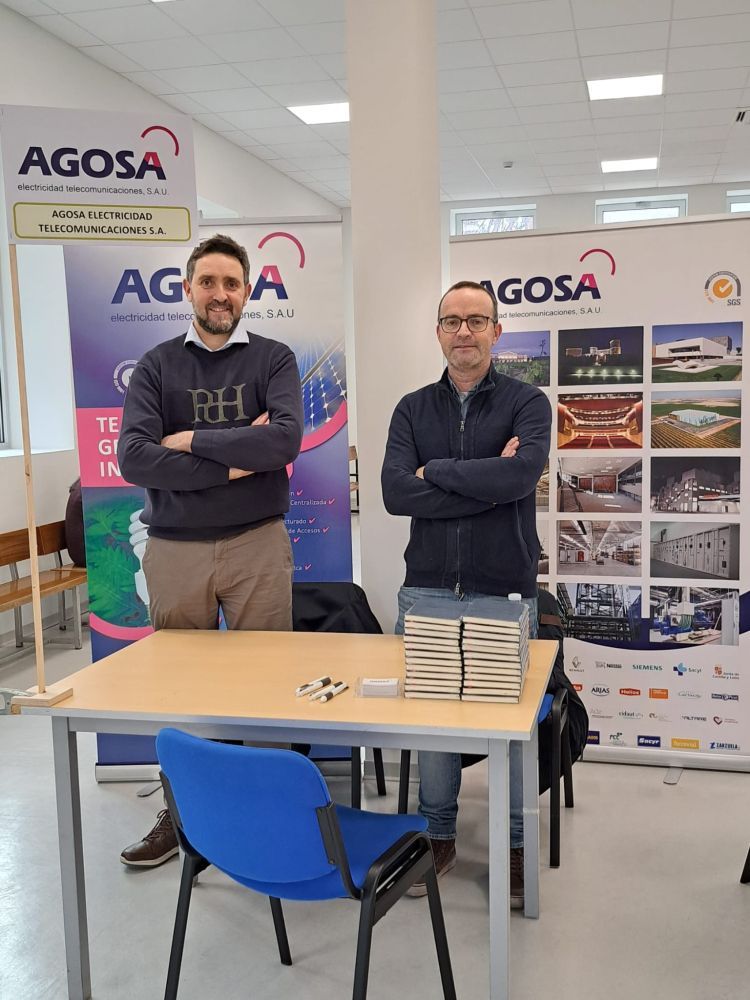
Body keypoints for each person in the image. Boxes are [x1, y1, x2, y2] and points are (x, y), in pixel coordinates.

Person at [117, 233, 303, 867]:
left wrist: (190, 439)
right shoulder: (156, 365)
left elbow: (282, 444)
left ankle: (269, 813)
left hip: (257, 545)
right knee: (181, 691)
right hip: (175, 550)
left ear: (247, 291)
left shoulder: (273, 359)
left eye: (231, 283)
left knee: (268, 683)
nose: (219, 294)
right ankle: (182, 817)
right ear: (188, 289)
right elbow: (135, 458)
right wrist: (234, 460)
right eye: (207, 282)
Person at [381, 280, 551, 905]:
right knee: (432, 723)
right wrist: (487, 483)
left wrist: (438, 472)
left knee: (510, 726)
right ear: (437, 332)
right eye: (452, 320)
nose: (464, 332)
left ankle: (514, 842)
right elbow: (395, 493)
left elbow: (520, 478)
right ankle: (438, 836)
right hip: (426, 589)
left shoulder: (528, 403)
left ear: (496, 332)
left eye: (476, 320)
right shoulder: (411, 409)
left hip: (503, 591)